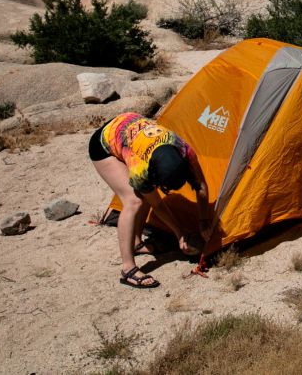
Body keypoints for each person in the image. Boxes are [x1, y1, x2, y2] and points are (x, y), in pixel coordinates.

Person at [89, 112, 211, 289]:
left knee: (142, 196)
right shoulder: (140, 168)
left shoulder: (183, 149)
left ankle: (137, 244)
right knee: (134, 201)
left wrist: (204, 221)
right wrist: (180, 234)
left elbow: (200, 185)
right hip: (103, 144)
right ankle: (128, 269)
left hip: (128, 127)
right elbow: (158, 205)